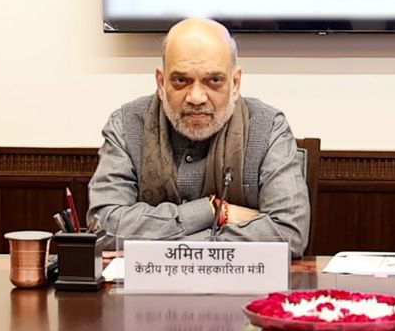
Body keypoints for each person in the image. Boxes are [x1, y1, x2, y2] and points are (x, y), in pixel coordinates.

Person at [88, 18, 310, 257]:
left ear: (235, 83)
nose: (196, 97)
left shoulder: (268, 127)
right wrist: (214, 211)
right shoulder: (125, 125)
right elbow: (103, 229)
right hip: (145, 289)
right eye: (181, 81)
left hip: (241, 289)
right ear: (161, 83)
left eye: (213, 80)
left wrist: (153, 244)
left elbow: (289, 233)